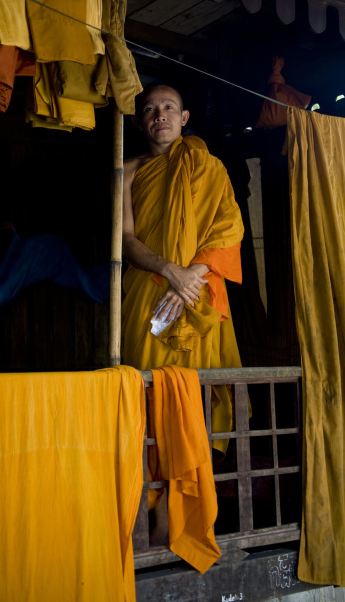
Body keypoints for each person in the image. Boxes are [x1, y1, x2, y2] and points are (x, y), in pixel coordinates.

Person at [121, 83, 245, 451]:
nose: (160, 114)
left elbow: (229, 230)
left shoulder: (209, 166)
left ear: (184, 118)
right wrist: (170, 271)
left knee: (199, 395)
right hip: (150, 292)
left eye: (169, 107)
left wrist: (189, 276)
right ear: (138, 123)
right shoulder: (126, 171)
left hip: (198, 292)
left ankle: (196, 484)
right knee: (149, 392)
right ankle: (152, 492)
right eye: (150, 110)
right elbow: (126, 241)